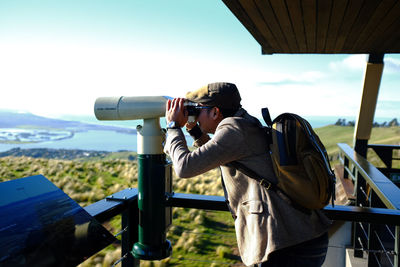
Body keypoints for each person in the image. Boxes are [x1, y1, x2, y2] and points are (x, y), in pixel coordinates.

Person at [164, 82, 331, 266]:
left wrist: (173, 126)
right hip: (302, 235)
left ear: (215, 112)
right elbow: (219, 155)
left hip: (289, 244)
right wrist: (195, 131)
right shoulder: (244, 123)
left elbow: (184, 167)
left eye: (198, 109)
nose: (194, 113)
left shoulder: (233, 129)